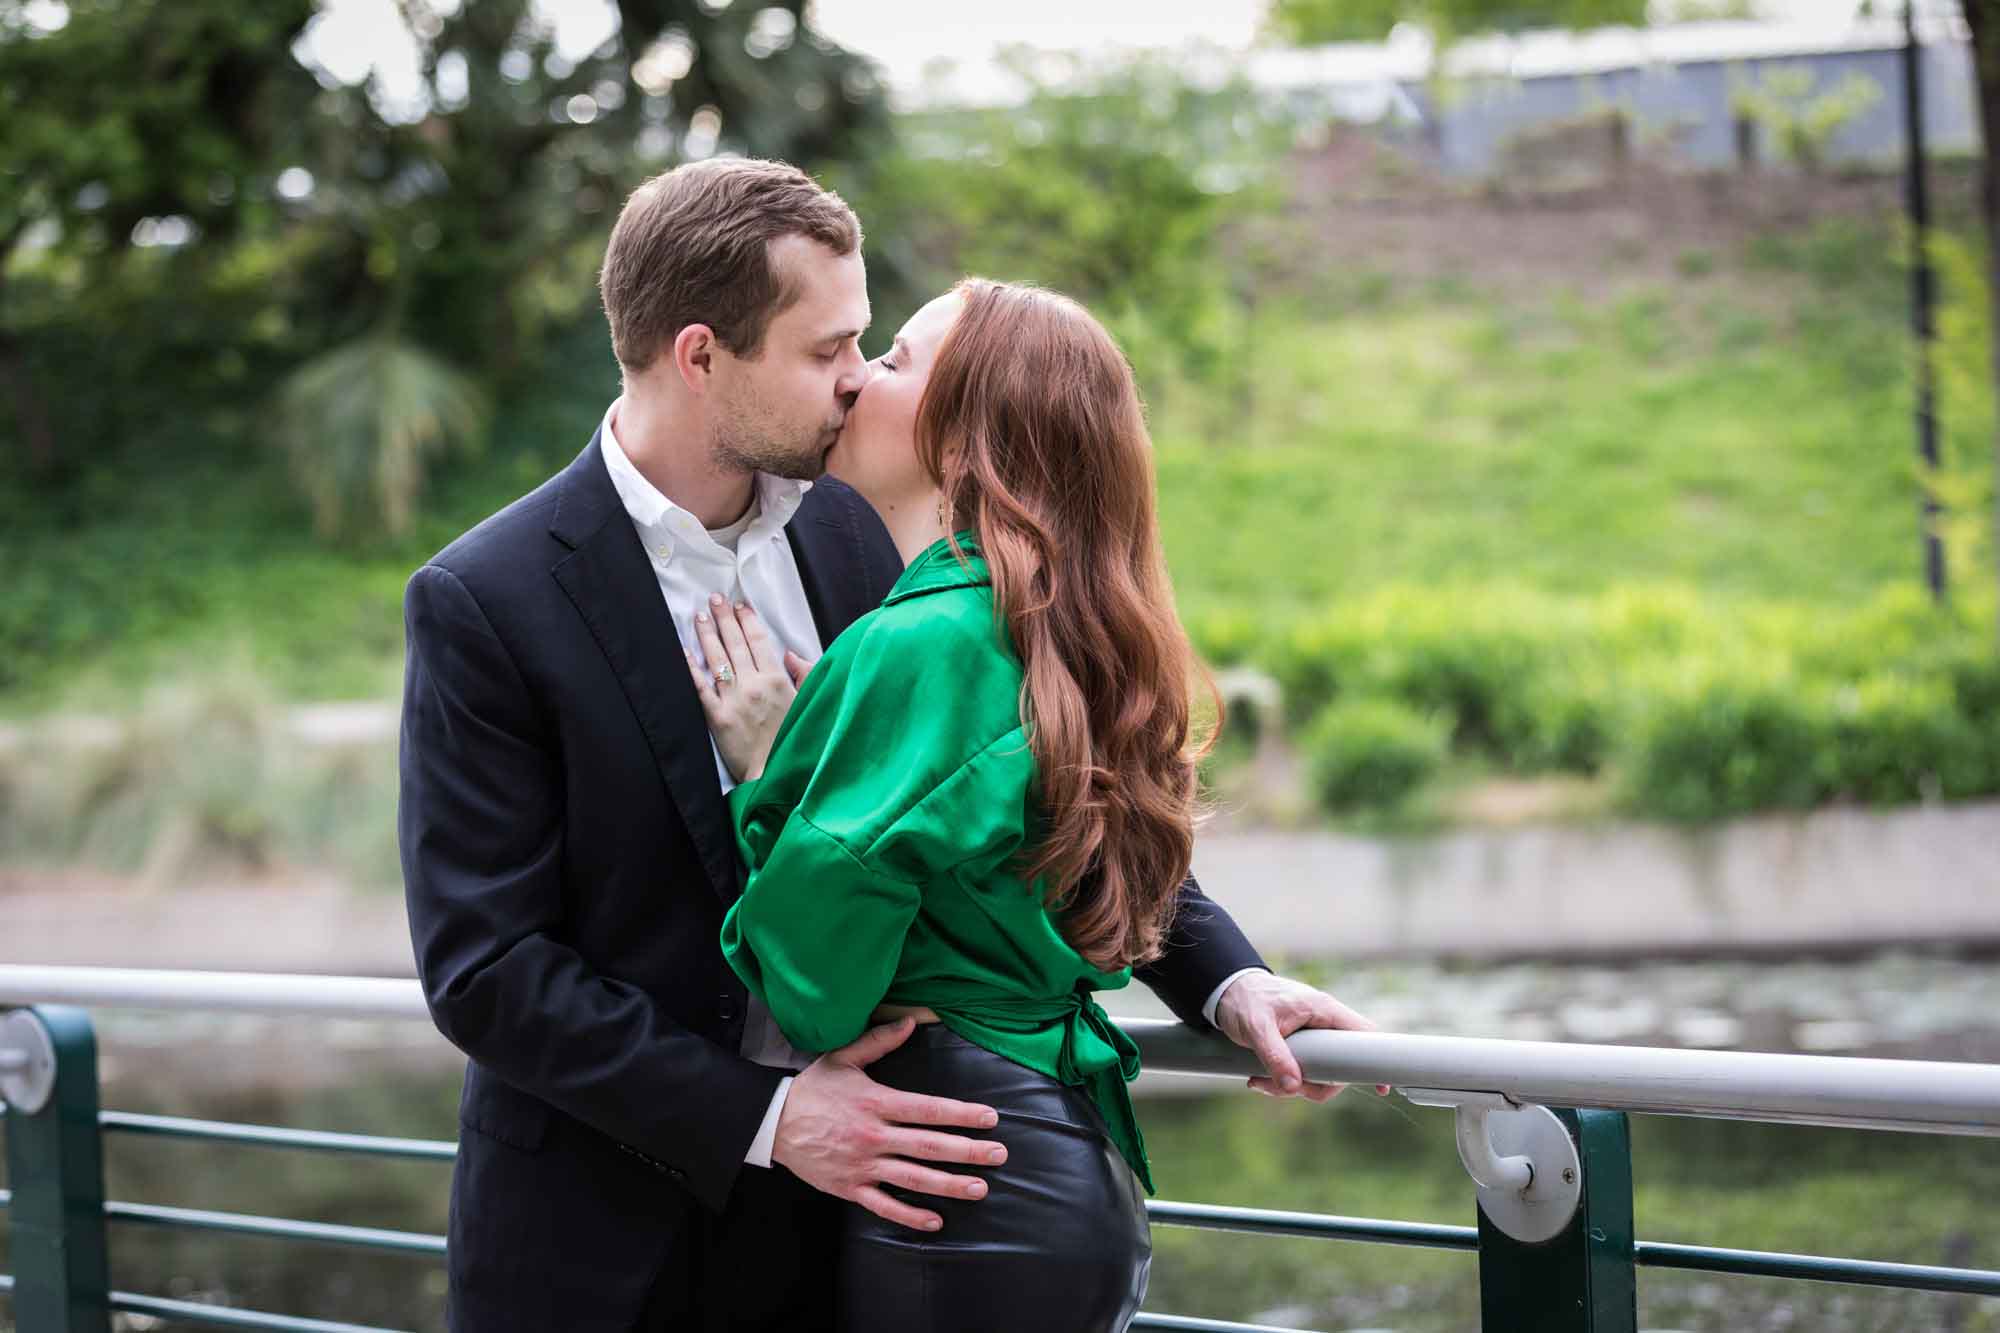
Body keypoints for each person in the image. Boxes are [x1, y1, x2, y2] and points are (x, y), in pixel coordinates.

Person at [399, 157, 1373, 1333]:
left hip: (866, 1228)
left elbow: (1030, 791)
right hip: (597, 1251)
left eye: (868, 343)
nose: (856, 378)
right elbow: (486, 968)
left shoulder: (871, 529)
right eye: (825, 352)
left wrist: (1223, 979)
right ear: (700, 354)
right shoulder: (485, 597)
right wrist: (763, 1118)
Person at [687, 277, 1377, 1332]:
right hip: (1056, 1168)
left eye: (896, 361)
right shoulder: (1048, 636)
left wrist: (773, 770)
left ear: (965, 439)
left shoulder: (914, 646)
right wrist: (1230, 983)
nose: (859, 378)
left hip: (961, 1188)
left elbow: (818, 986)